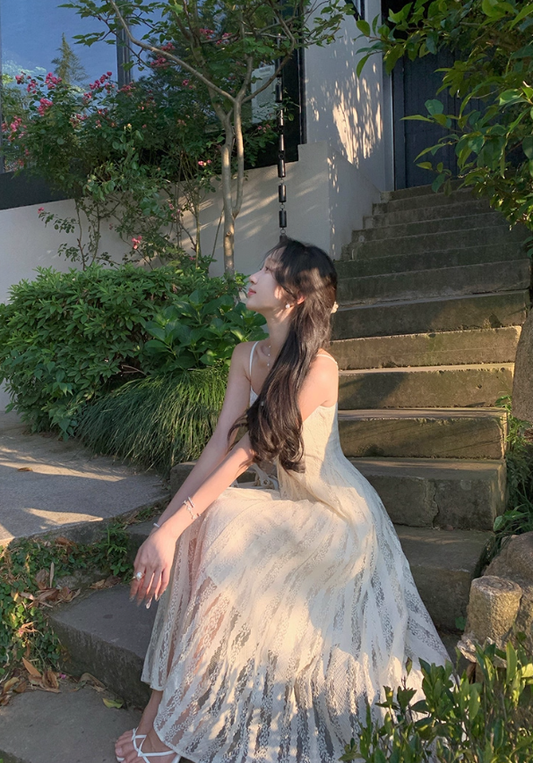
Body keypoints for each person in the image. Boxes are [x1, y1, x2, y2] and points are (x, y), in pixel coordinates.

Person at [115, 239, 455, 763]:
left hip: (334, 515)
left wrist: (174, 527)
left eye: (269, 270)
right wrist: (166, 528)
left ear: (294, 296)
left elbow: (249, 451)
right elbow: (218, 446)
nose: (253, 275)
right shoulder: (245, 356)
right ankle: (159, 717)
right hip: (287, 503)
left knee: (220, 518)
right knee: (199, 525)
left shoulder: (320, 369)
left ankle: (165, 729)